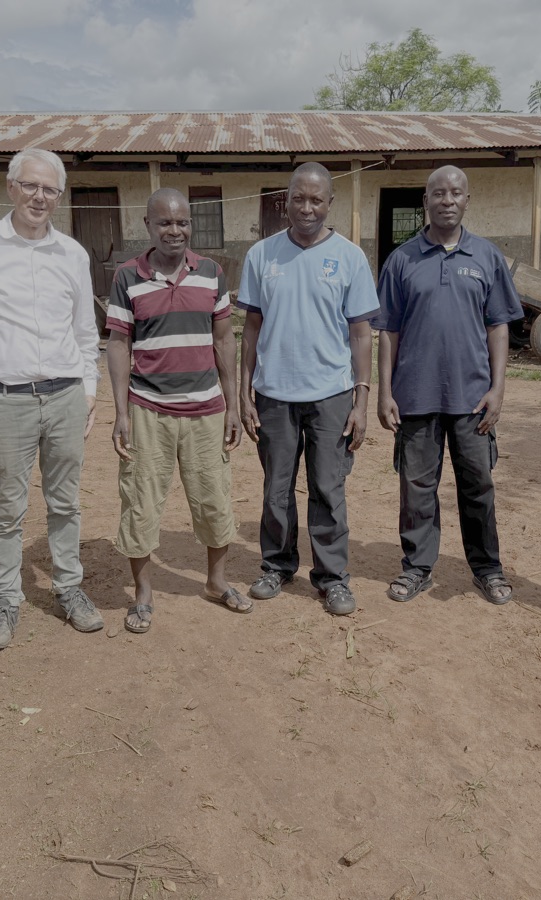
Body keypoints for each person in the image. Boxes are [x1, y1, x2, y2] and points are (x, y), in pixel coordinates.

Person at [0, 147, 103, 651]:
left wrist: (88, 391)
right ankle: (7, 600)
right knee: (7, 508)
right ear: (11, 187)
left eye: (50, 189)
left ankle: (68, 588)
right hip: (2, 401)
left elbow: (85, 330)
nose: (39, 197)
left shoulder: (72, 254)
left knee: (65, 502)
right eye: (30, 185)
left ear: (60, 195)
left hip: (65, 396)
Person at [374, 165, 523, 605]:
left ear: (467, 201)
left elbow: (498, 326)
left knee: (478, 486)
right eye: (438, 193)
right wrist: (384, 391)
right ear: (426, 201)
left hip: (472, 397)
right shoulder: (402, 260)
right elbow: (388, 331)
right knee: (416, 489)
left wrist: (498, 389)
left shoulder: (487, 257)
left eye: (455, 193)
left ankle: (488, 569)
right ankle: (417, 568)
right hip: (414, 396)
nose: (447, 201)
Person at [237, 162, 379, 616]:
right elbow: (251, 328)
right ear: (286, 200)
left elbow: (361, 334)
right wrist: (243, 392)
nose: (306, 208)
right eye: (298, 198)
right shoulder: (262, 255)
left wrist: (361, 399)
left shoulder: (350, 258)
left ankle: (332, 577)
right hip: (274, 394)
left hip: (331, 395)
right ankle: (277, 566)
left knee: (328, 488)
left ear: (330, 203)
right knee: (276, 488)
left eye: (316, 200)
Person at [106, 188, 247, 634]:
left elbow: (223, 339)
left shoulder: (211, 273)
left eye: (182, 222)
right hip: (148, 410)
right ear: (147, 225)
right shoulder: (127, 277)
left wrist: (232, 405)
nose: (175, 230)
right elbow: (119, 344)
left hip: (206, 410)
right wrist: (121, 413)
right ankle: (143, 593)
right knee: (141, 502)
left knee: (214, 498)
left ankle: (216, 581)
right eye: (165, 222)